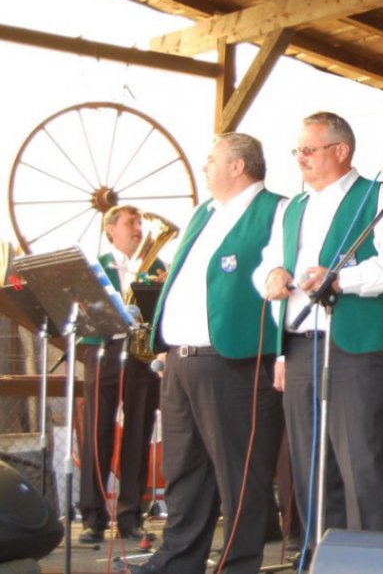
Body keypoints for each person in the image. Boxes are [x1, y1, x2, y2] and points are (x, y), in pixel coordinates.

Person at [254, 112, 383, 550]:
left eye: (309, 149)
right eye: (298, 151)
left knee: (361, 462)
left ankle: (372, 561)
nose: (301, 158)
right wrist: (271, 275)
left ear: (340, 151)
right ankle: (319, 556)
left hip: (354, 346)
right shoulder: (293, 207)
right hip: (300, 344)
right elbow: (271, 261)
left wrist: (344, 279)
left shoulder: (378, 195)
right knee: (311, 464)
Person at [130, 132, 283, 574]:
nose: (205, 167)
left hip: (233, 360)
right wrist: (165, 347)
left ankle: (237, 564)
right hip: (181, 359)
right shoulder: (205, 212)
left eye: (212, 159)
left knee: (240, 473)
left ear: (238, 165)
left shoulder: (276, 209)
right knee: (184, 470)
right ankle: (179, 560)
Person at [78, 205, 164, 543]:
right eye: (131, 223)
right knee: (96, 433)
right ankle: (92, 516)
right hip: (104, 349)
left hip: (140, 355)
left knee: (138, 434)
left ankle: (131, 515)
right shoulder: (94, 266)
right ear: (111, 229)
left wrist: (160, 288)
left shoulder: (156, 266)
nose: (138, 229)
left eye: (141, 223)